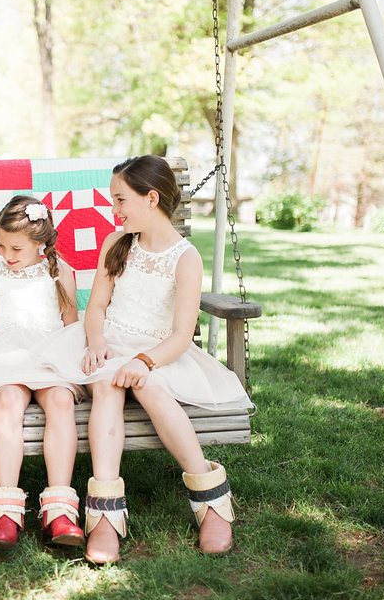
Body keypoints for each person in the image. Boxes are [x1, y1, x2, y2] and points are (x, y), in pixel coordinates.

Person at [41, 155, 251, 563]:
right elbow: (97, 307)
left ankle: (210, 499)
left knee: (150, 388)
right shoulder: (117, 243)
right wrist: (96, 340)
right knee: (105, 386)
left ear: (151, 198)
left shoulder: (185, 258)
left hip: (159, 354)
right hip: (108, 343)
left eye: (120, 200)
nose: (114, 209)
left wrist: (143, 362)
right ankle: (104, 514)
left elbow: (179, 335)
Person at [0, 195, 85, 549]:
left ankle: (60, 510)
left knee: (62, 401)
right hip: (5, 355)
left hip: (50, 355)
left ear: (42, 244)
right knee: (7, 401)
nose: (7, 254)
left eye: (16, 247)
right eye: (1, 245)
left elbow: (71, 326)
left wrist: (75, 366)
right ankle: (5, 511)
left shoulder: (62, 273)